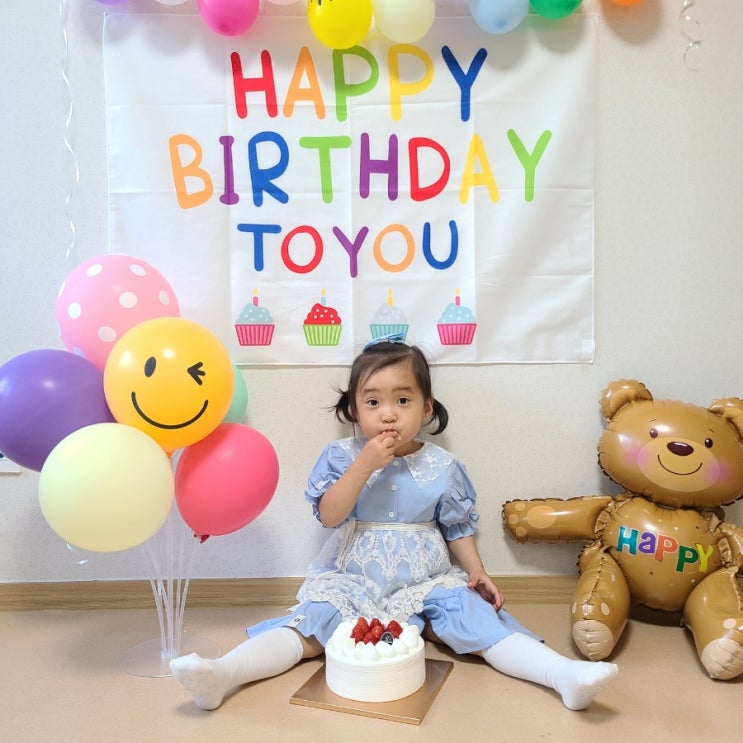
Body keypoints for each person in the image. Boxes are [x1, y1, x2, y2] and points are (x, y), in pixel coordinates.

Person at [170, 337, 618, 711]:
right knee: (309, 624)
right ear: (354, 410)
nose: (388, 414)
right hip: (353, 577)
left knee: (473, 619)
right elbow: (329, 515)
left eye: (402, 400)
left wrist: (477, 570)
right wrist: (364, 464)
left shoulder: (442, 465)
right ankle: (223, 674)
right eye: (373, 402)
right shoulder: (341, 457)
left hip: (426, 578)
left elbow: (457, 527)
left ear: (426, 408)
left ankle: (562, 675)